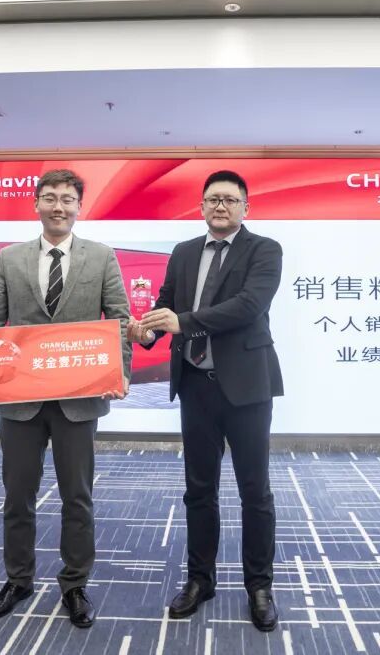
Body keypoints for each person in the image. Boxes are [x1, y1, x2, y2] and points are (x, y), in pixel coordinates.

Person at [0, 168, 131, 629]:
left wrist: (120, 374)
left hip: (80, 399)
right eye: (51, 197)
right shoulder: (9, 258)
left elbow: (119, 320)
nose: (59, 206)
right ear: (36, 203)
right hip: (21, 401)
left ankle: (75, 584)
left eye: (68, 199)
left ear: (79, 207)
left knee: (78, 497)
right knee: (18, 496)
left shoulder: (102, 256)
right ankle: (18, 580)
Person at [128, 169, 283, 632]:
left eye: (230, 199)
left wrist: (183, 322)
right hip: (196, 385)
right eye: (213, 198)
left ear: (245, 208)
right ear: (201, 207)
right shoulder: (184, 251)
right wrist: (147, 331)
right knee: (199, 489)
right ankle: (200, 579)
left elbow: (248, 306)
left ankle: (259, 586)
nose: (221, 206)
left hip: (247, 387)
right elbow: (166, 304)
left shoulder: (265, 249)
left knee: (254, 491)